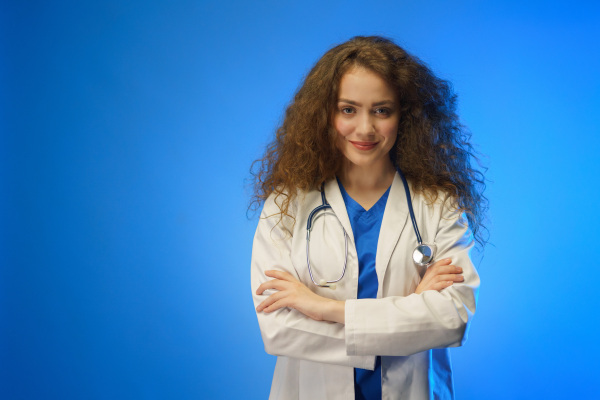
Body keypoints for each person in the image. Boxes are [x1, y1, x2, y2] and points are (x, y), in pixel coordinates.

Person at [250, 36, 487, 400]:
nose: (365, 129)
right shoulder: (287, 205)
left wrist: (324, 309)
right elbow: (279, 331)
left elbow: (451, 319)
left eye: (381, 110)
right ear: (324, 114)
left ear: (404, 115)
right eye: (348, 109)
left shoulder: (437, 204)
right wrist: (410, 314)